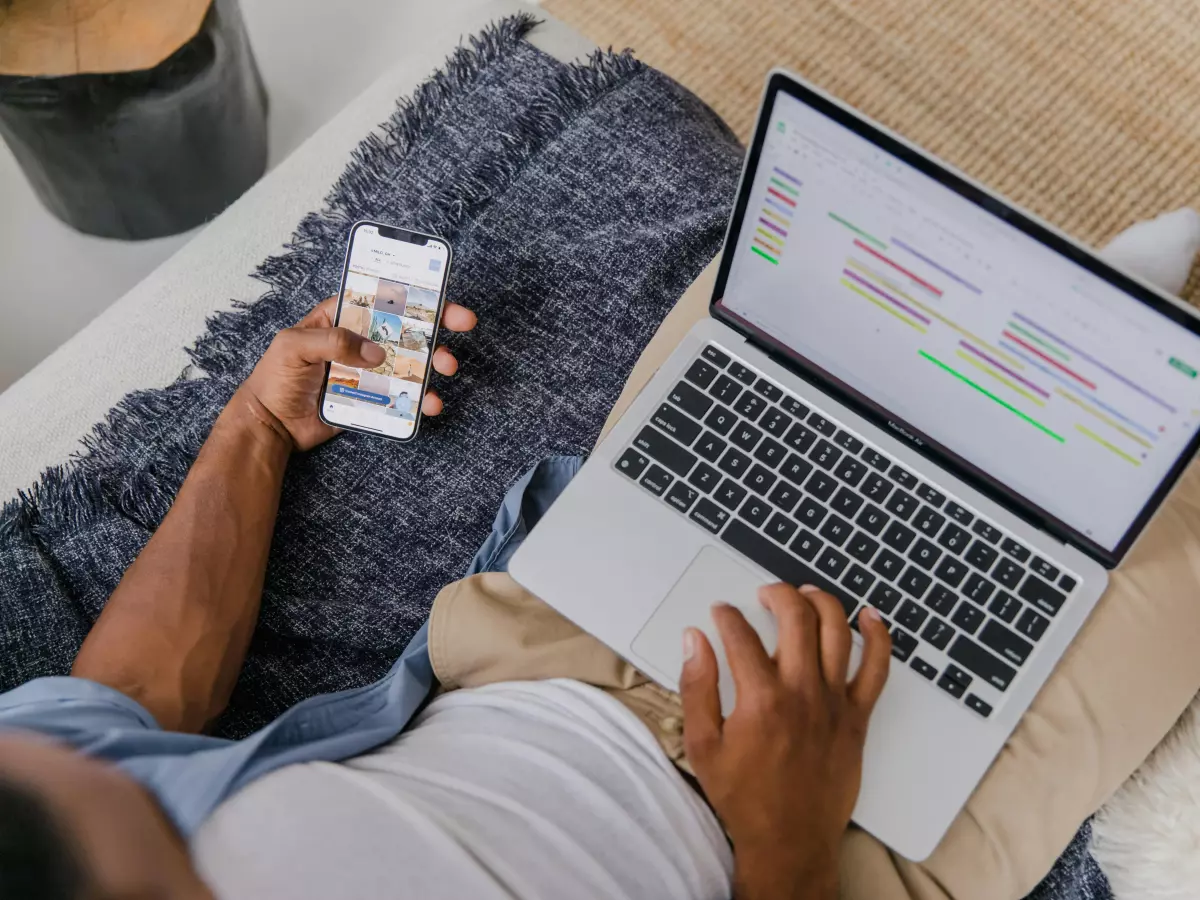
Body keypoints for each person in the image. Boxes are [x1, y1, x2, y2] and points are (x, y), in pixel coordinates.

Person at [0, 296, 891, 900]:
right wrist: (790, 844)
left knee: (792, 317)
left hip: (545, 654)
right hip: (808, 834)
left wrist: (257, 426)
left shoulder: (37, 780)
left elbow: (123, 704)